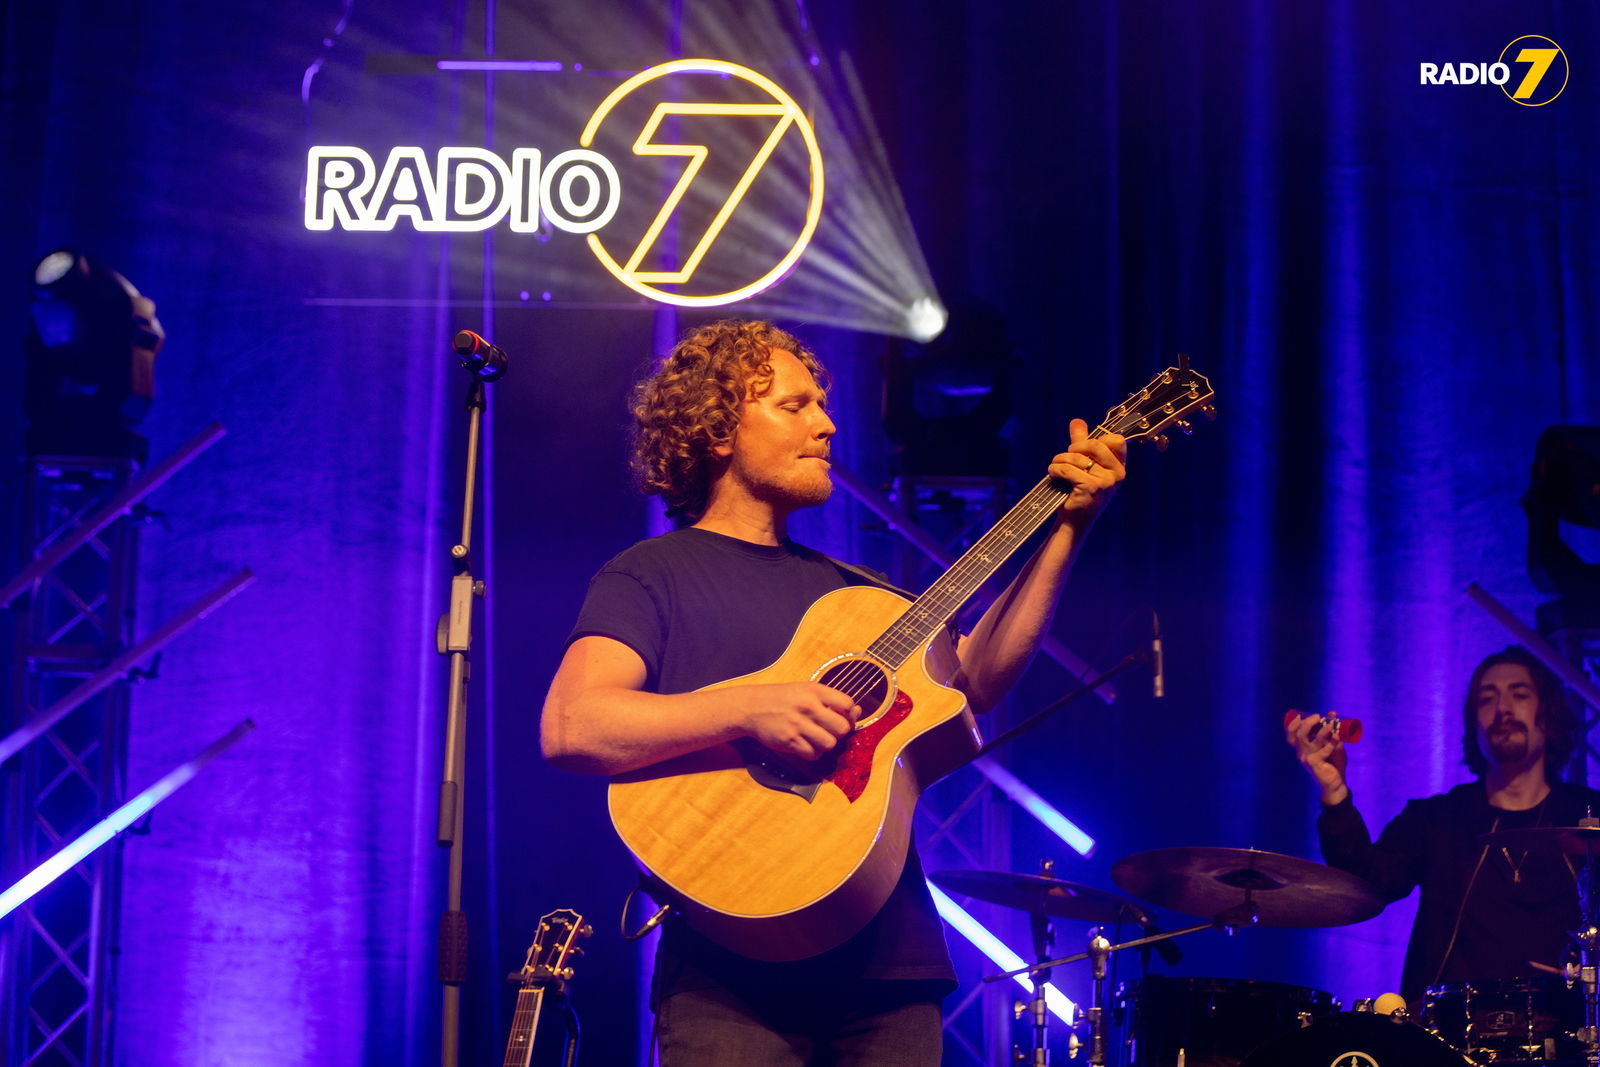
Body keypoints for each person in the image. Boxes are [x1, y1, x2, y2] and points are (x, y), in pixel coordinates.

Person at [541, 319, 1127, 1065]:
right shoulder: (650, 574)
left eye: (823, 404)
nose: (827, 424)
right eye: (796, 406)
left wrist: (1069, 529)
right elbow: (572, 723)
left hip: (891, 963)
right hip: (726, 971)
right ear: (719, 432)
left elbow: (976, 681)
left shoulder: (862, 600)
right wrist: (752, 706)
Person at [1286, 645, 1597, 1006]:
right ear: (1473, 722)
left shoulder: (1587, 817)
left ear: (1549, 715)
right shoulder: (1436, 819)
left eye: (1520, 694)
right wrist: (1335, 791)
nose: (1503, 710)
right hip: (1448, 1039)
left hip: (1565, 1035)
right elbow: (1363, 884)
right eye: (1487, 699)